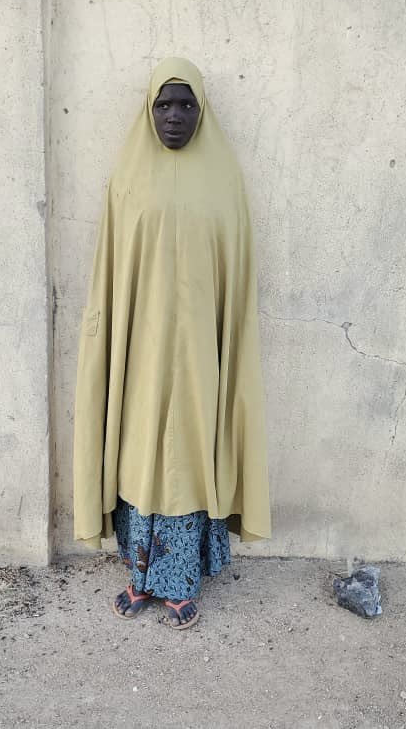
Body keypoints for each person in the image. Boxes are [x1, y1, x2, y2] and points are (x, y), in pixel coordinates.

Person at [73, 57, 271, 630]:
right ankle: (140, 577)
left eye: (187, 104)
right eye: (164, 105)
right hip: (141, 350)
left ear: (201, 110)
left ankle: (181, 582)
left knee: (189, 450)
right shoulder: (128, 178)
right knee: (139, 447)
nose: (175, 116)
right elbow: (113, 270)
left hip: (202, 353)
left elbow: (235, 274)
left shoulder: (224, 180)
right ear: (149, 110)